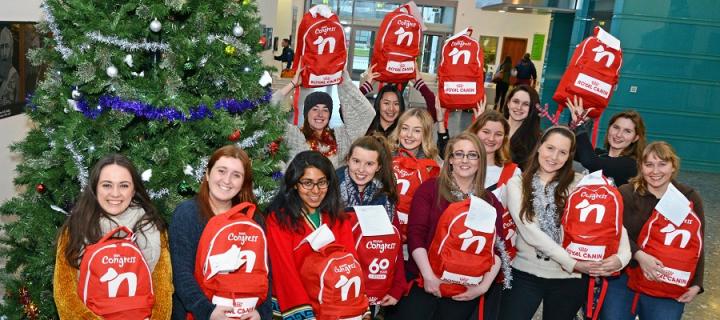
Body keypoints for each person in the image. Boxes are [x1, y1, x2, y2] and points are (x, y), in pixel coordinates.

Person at [499, 126, 631, 320]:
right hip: (526, 273)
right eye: (550, 148)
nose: (554, 157)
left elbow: (611, 221)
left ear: (570, 156)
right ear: (539, 147)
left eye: (563, 152)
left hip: (569, 280)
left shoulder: (582, 184)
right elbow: (529, 230)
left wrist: (622, 257)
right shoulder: (517, 183)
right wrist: (574, 263)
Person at [387, 133, 505, 320]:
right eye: (459, 154)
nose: (465, 160)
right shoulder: (430, 189)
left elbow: (497, 249)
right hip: (422, 283)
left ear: (480, 161)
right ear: (450, 159)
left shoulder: (490, 202)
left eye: (472, 155)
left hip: (463, 291)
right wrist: (429, 276)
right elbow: (416, 234)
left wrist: (482, 288)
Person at [53, 154, 172, 319]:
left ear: (134, 190)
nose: (115, 193)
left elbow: (163, 292)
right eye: (107, 185)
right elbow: (65, 296)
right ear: (95, 188)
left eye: (124, 185)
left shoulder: (153, 228)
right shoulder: (75, 228)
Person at [599, 142, 705, 320]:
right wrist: (640, 255)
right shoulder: (626, 193)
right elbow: (612, 233)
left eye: (662, 164)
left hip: (667, 279)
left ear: (673, 166)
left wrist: (696, 284)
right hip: (625, 274)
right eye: (649, 165)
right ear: (641, 167)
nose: (655, 171)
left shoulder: (688, 197)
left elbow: (697, 243)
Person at [169, 145, 270, 320]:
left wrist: (261, 313)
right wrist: (208, 312)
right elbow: (181, 274)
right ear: (207, 174)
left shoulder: (253, 219)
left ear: (244, 182)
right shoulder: (187, 214)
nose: (227, 180)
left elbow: (266, 274)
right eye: (221, 171)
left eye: (236, 175)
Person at [264, 151, 361, 319]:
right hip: (295, 303)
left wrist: (356, 306)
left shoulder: (338, 218)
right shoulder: (279, 219)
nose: (315, 190)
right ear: (295, 183)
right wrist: (304, 315)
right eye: (307, 183)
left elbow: (351, 264)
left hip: (334, 303)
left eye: (322, 182)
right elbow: (284, 271)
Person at [335, 135, 407, 311]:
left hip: (372, 285)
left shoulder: (385, 198)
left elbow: (393, 246)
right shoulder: (331, 190)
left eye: (369, 164)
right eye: (356, 161)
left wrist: (397, 287)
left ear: (378, 167)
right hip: (336, 281)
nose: (361, 169)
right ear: (347, 160)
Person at [273, 66, 375, 167]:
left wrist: (344, 81)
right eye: (315, 109)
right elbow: (266, 110)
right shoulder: (293, 136)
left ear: (329, 115)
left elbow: (366, 114)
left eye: (325, 110)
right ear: (306, 113)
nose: (320, 114)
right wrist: (292, 84)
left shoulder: (339, 139)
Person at [565, 95, 647, 186]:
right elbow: (568, 152)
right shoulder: (599, 154)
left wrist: (579, 124)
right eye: (616, 127)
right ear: (609, 128)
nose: (619, 134)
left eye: (627, 131)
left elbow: (591, 162)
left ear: (635, 138)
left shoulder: (630, 164)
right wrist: (575, 123)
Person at [361, 63, 437, 136]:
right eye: (386, 103)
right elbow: (350, 105)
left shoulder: (406, 131)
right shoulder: (366, 126)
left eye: (396, 104)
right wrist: (367, 85)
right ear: (378, 104)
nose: (391, 109)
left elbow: (434, 113)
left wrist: (420, 84)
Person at [503, 85, 541, 170]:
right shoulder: (494, 126)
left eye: (526, 104)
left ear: (532, 108)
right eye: (516, 101)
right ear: (508, 103)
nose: (519, 107)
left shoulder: (535, 138)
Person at [0, 27, 19, 105]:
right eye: (1, 47)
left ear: (11, 48)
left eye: (7, 46)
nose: (4, 52)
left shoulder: (14, 76)